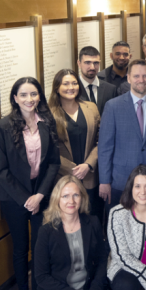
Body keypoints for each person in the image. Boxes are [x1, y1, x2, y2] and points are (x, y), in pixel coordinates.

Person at [0, 77, 60, 290]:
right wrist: (26, 200)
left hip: (42, 195)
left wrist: (40, 195)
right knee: (21, 249)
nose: (29, 99)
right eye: (24, 95)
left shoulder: (47, 122)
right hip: (14, 198)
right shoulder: (2, 127)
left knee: (41, 249)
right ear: (15, 98)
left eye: (34, 94)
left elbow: (53, 162)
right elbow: (1, 171)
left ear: (39, 97)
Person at [34, 175, 108, 290]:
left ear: (82, 198)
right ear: (57, 199)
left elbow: (101, 260)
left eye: (76, 195)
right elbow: (41, 277)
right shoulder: (46, 231)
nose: (71, 201)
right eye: (65, 196)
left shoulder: (92, 223)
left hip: (87, 288)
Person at [98, 59, 146, 210]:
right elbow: (105, 147)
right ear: (128, 78)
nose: (141, 80)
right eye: (136, 76)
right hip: (121, 181)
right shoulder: (113, 106)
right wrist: (104, 181)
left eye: (145, 76)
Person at [49, 69, 101, 214]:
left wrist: (88, 165)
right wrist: (72, 170)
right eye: (66, 84)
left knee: (91, 218)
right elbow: (48, 149)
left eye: (74, 83)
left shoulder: (91, 108)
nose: (71, 87)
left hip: (89, 175)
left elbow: (101, 140)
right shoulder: (48, 114)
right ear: (57, 88)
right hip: (63, 178)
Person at [78, 46, 118, 115]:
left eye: (96, 63)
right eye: (87, 62)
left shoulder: (110, 90)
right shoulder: (72, 90)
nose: (92, 67)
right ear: (79, 64)